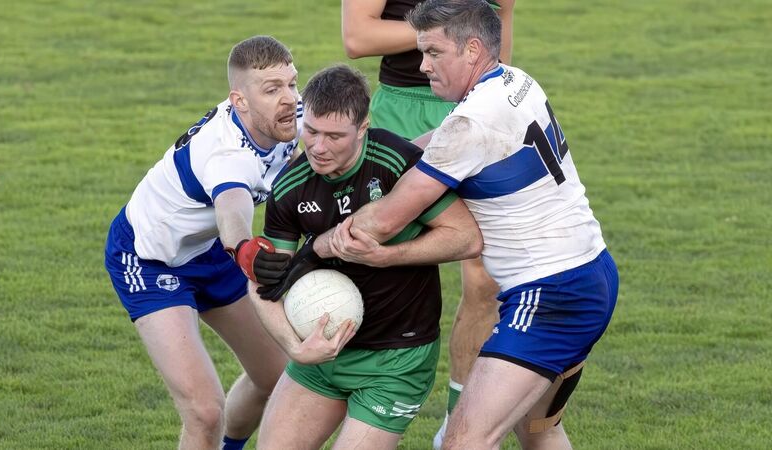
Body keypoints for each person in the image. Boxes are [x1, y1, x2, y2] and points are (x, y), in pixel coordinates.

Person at [316, 1, 619, 448]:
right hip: (591, 272)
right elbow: (429, 146)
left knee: (462, 441)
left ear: (473, 49)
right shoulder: (517, 81)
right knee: (538, 430)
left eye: (433, 53)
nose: (423, 66)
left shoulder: (470, 123)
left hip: (550, 296)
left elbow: (383, 220)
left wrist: (317, 246)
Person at [246, 64, 483, 450]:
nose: (318, 148)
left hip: (396, 358)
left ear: (363, 127)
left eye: (334, 136)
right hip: (323, 354)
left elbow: (466, 238)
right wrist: (295, 347)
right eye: (312, 131)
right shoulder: (290, 187)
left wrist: (386, 256)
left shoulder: (397, 162)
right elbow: (264, 284)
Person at [103, 36, 302, 450]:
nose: (288, 99)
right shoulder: (224, 154)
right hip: (149, 259)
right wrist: (244, 248)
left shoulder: (288, 116)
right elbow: (232, 209)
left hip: (209, 249)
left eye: (291, 83)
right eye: (272, 89)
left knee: (278, 377)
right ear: (239, 101)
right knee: (205, 412)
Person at [341, 3, 515, 446]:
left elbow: (500, 31)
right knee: (368, 262)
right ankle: (345, 397)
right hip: (403, 110)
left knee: (487, 277)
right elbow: (357, 37)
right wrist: (446, 35)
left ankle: (459, 425)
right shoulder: (438, 42)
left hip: (475, 103)